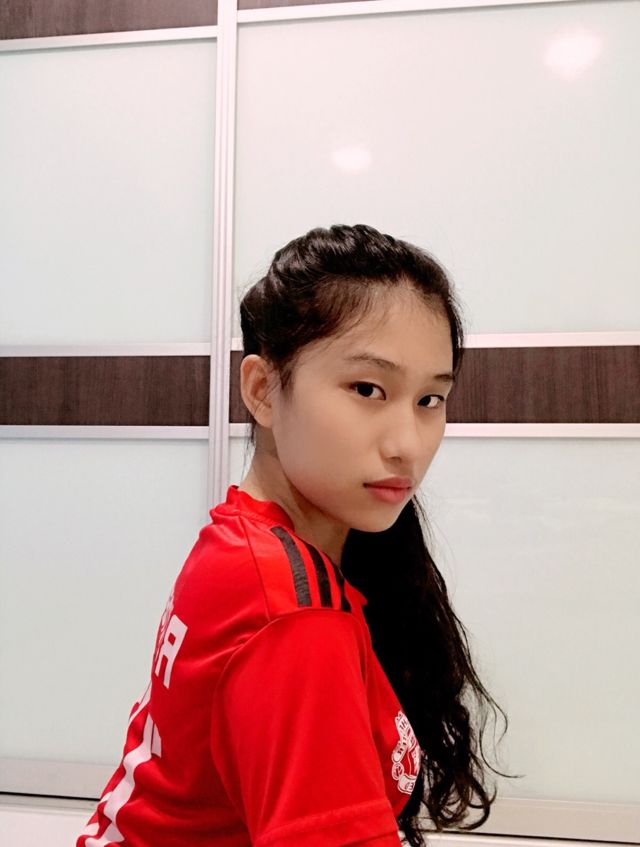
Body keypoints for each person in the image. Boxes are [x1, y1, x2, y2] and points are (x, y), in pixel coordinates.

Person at [77, 223, 516, 847]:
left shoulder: (239, 539)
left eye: (430, 400)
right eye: (367, 389)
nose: (408, 445)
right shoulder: (291, 614)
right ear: (262, 390)